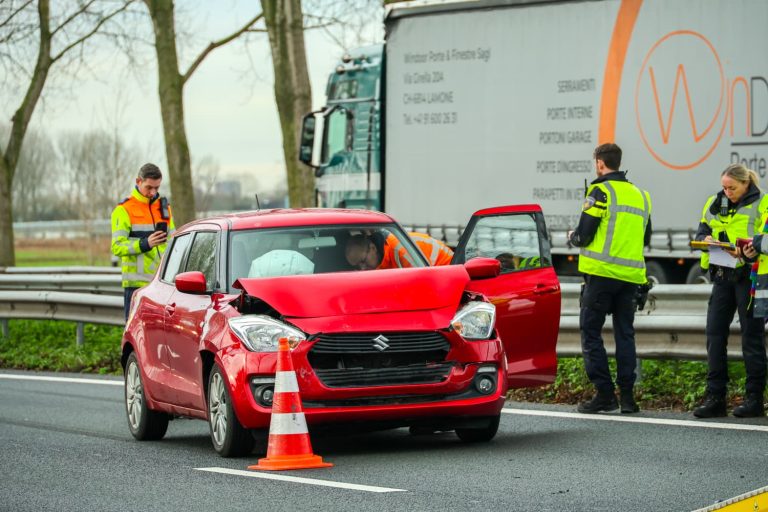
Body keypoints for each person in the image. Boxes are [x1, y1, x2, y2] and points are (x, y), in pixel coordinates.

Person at [568, 143, 652, 414]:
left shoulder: (599, 191)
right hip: (631, 277)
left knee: (591, 332)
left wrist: (571, 236)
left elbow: (584, 236)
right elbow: (646, 238)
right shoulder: (642, 195)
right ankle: (628, 398)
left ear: (600, 164)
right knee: (625, 335)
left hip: (601, 276)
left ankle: (605, 395)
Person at [693, 164, 767, 418]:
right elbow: (702, 230)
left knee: (751, 338)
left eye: (731, 188)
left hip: (749, 277)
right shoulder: (715, 202)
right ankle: (715, 398)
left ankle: (754, 399)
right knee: (714, 335)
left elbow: (764, 238)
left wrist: (752, 249)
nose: (727, 192)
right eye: (724, 187)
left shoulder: (762, 203)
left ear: (746, 184)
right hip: (722, 276)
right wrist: (706, 241)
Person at [111, 163, 175, 319]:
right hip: (136, 287)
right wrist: (145, 243)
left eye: (157, 188)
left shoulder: (164, 207)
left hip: (162, 284)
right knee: (134, 337)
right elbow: (117, 247)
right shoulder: (124, 209)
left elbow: (174, 241)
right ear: (138, 181)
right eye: (149, 187)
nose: (153, 193)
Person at [345, 231, 453, 270]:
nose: (362, 268)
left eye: (363, 261)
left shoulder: (401, 252)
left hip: (450, 269)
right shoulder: (382, 257)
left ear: (373, 248)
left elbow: (421, 287)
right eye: (357, 266)